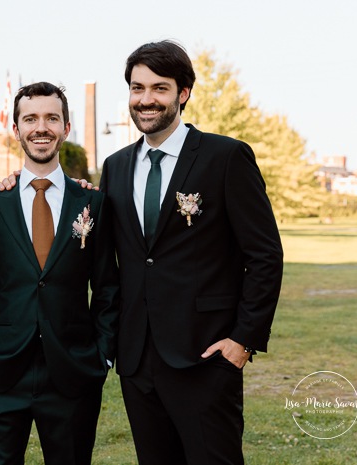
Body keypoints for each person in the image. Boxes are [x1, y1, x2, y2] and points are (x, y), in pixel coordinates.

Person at [99, 40, 284, 465]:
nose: (146, 99)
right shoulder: (116, 166)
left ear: (183, 94)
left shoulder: (225, 157)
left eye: (159, 88)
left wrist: (242, 341)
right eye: (137, 88)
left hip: (207, 357)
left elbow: (264, 254)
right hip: (138, 360)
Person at [0, 81, 120, 465]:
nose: (41, 127)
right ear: (16, 129)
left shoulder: (94, 203)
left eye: (52, 118)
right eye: (30, 119)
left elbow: (107, 287)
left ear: (66, 127)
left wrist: (103, 355)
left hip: (72, 370)